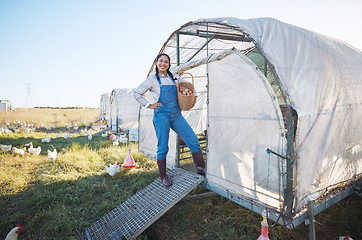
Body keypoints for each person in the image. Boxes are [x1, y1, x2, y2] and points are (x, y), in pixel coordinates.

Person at [134, 53, 205, 187]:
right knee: (163, 147)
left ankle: (201, 169)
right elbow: (137, 93)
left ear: (168, 64)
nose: (163, 64)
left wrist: (193, 97)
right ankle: (163, 176)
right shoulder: (152, 80)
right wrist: (148, 105)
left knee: (193, 139)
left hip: (176, 115)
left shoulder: (175, 77)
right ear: (156, 62)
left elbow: (189, 86)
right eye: (161, 61)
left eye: (166, 62)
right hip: (162, 116)